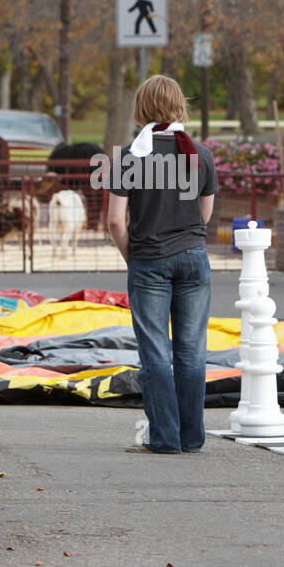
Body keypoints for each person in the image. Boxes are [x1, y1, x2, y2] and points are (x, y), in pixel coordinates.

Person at [107, 75, 217, 455]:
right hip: (194, 260)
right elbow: (204, 217)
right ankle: (192, 436)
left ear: (141, 109)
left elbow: (116, 221)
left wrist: (133, 256)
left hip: (149, 261)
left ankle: (165, 437)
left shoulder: (128, 157)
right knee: (191, 351)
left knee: (155, 351)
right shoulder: (200, 155)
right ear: (179, 106)